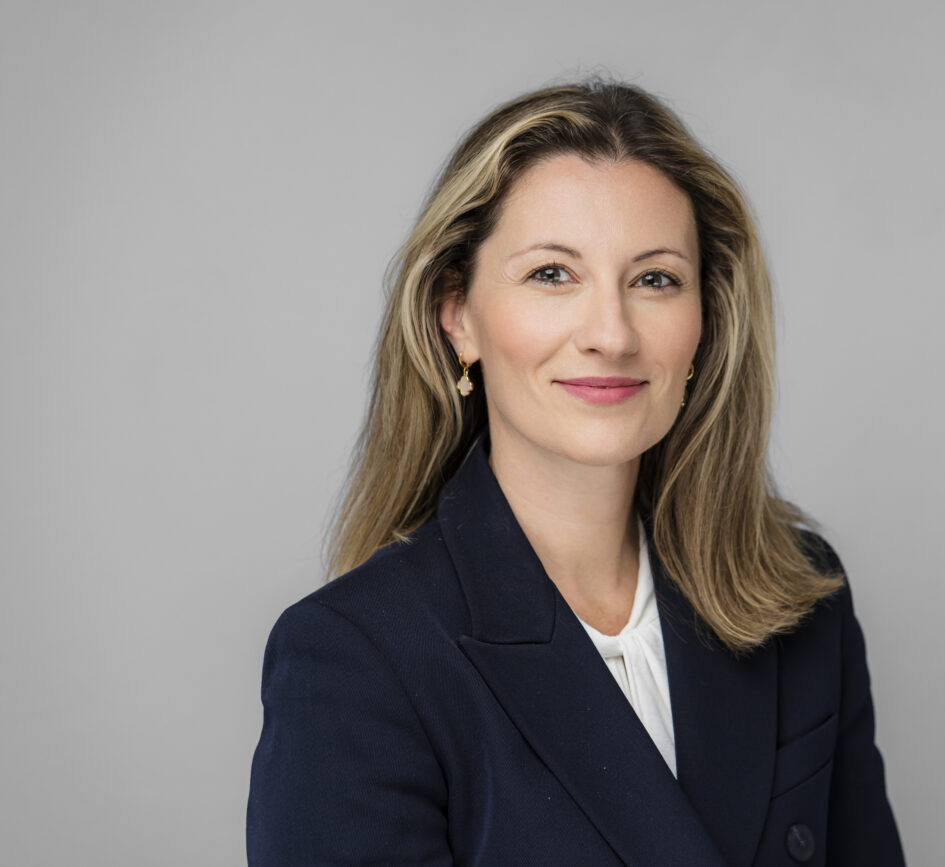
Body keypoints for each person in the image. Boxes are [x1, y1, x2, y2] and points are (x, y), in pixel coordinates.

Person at [247, 78, 905, 866]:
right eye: (552, 274)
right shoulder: (356, 659)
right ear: (457, 314)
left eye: (655, 278)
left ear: (706, 320)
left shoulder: (800, 600)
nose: (612, 332)